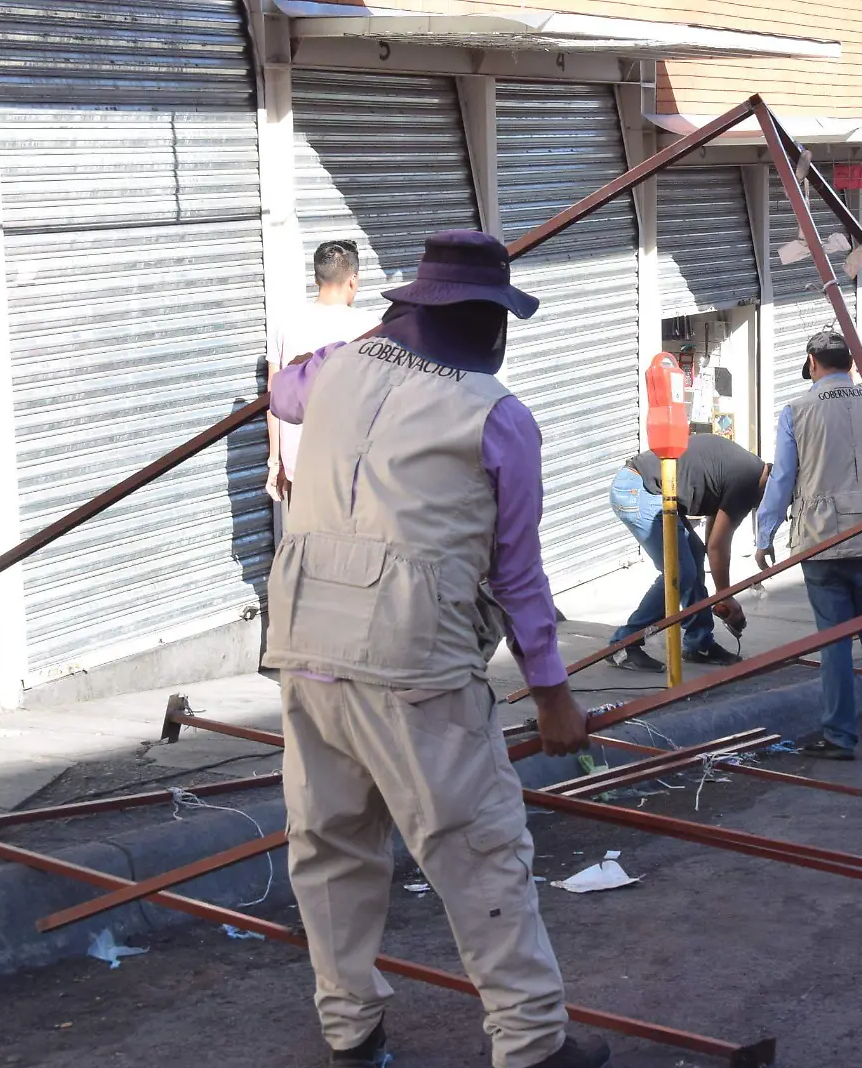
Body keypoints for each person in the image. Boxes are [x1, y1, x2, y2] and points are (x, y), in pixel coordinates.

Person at [265, 230, 610, 1068]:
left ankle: (351, 1035)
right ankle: (531, 1044)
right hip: (412, 662)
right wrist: (553, 693)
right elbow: (519, 573)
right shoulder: (498, 418)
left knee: (332, 845)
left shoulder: (340, 367)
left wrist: (372, 339)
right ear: (487, 324)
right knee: (479, 849)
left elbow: (281, 392)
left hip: (306, 643)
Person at [754, 330, 862, 760]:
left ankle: (840, 737)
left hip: (822, 542)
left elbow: (782, 479)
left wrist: (764, 534)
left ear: (813, 361)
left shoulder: (797, 411)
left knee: (835, 642)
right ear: (850, 362)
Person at [605, 432, 762, 672]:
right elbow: (718, 546)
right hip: (640, 490)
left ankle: (699, 644)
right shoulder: (748, 484)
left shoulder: (749, 468)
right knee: (680, 571)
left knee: (694, 556)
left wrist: (722, 597)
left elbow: (712, 537)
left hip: (646, 487)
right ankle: (623, 644)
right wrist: (725, 596)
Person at [267, 241, 378, 507]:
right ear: (353, 280)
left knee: (306, 545)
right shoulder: (371, 328)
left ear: (316, 278)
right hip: (353, 466)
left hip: (299, 466)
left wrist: (276, 460)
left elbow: (273, 399)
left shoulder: (285, 325)